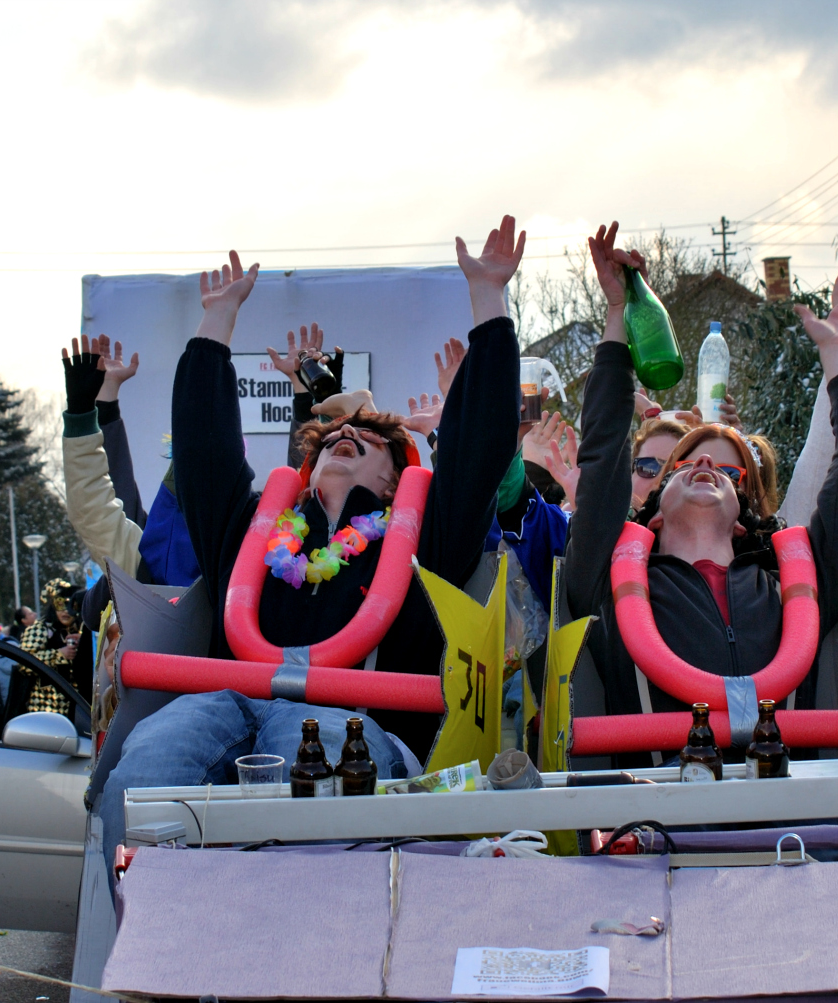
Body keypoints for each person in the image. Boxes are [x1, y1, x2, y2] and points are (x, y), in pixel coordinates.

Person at [100, 219, 523, 873]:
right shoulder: (260, 530)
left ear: (396, 478)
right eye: (328, 437)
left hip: (356, 725)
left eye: (369, 439)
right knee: (146, 768)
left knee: (316, 769)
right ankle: (146, 950)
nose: (340, 437)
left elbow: (481, 445)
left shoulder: (422, 536)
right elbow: (205, 456)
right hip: (231, 699)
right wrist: (216, 325)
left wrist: (489, 301)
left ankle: (304, 956)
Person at [565, 223, 838, 751]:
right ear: (651, 516)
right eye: (681, 466)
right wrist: (617, 315)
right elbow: (602, 452)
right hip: (658, 822)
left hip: (787, 822)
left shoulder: (796, 586)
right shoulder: (606, 583)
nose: (703, 465)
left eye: (722, 470)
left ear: (742, 519)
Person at [61, 334, 201, 588]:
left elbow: (298, 508)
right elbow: (101, 509)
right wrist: (91, 409)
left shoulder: (251, 541)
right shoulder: (156, 555)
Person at [17, 580, 81, 716]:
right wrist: (57, 655)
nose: (65, 611)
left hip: (77, 707)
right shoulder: (39, 629)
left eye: (71, 606)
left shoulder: (80, 630)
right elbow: (24, 663)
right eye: (60, 604)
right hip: (46, 708)